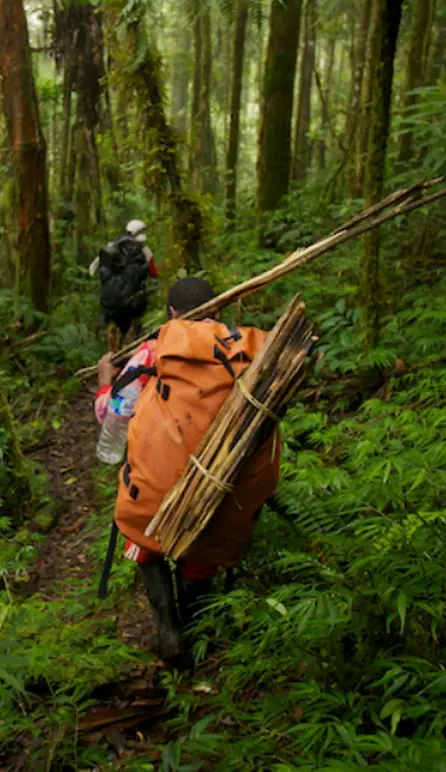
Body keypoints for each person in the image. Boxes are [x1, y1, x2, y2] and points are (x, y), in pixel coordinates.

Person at [94, 277, 281, 665]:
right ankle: (196, 633)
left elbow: (114, 414)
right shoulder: (249, 354)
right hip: (221, 483)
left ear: (172, 314)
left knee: (147, 543)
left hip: (158, 486)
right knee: (202, 548)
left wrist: (104, 383)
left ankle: (168, 629)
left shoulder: (153, 351)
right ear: (220, 310)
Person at [89, 220, 160, 349]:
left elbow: (92, 269)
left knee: (112, 321)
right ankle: (128, 343)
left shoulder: (110, 247)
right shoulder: (144, 250)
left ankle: (112, 346)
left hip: (110, 297)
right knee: (132, 320)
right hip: (132, 299)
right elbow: (154, 273)